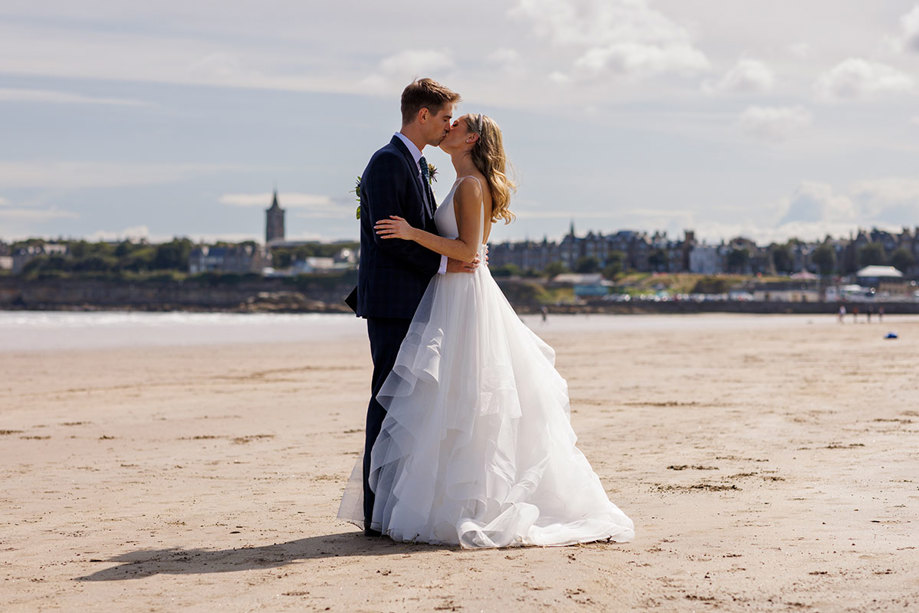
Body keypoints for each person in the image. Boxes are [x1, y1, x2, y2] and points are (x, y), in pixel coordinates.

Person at [338, 112, 634, 548]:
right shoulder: (461, 182)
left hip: (462, 294)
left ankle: (468, 502)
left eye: (455, 124)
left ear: (470, 137)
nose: (448, 127)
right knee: (447, 399)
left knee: (464, 399)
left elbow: (467, 249)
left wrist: (411, 233)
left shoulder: (471, 185)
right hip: (449, 292)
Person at [347, 78, 475, 537]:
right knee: (387, 399)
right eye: (444, 118)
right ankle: (375, 511)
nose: (447, 126)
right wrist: (444, 261)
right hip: (391, 302)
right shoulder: (387, 162)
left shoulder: (414, 163)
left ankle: (392, 504)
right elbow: (390, 238)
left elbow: (412, 231)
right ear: (423, 115)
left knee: (406, 402)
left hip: (410, 300)